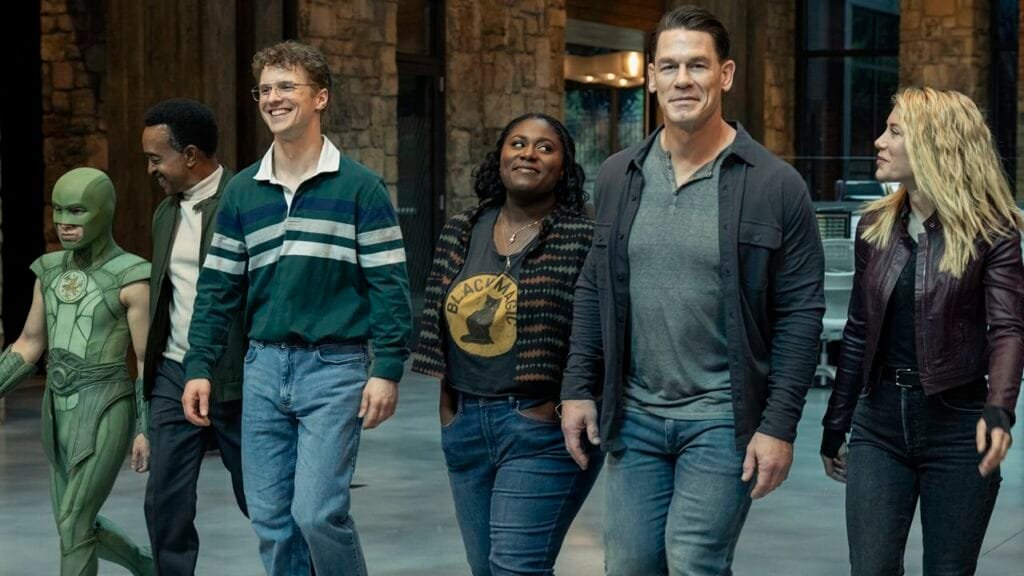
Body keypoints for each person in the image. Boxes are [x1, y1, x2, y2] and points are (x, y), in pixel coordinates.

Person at [559, 6, 825, 575]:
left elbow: (800, 315)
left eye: (697, 65)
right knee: (629, 565)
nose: (683, 80)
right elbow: (593, 288)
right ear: (652, 77)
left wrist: (778, 426)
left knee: (693, 560)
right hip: (634, 414)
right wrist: (578, 388)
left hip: (723, 416)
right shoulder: (619, 175)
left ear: (725, 75)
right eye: (669, 66)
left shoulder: (776, 185)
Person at [181, 41, 412, 576]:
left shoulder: (360, 188)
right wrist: (199, 365)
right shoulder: (243, 191)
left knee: (317, 513)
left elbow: (389, 285)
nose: (273, 98)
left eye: (287, 86)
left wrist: (387, 368)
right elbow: (217, 290)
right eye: (265, 89)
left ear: (320, 97)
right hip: (262, 367)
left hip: (335, 369)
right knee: (271, 520)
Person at [820, 87, 1024, 575]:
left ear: (935, 145)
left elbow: (1008, 329)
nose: (878, 141)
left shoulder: (993, 232)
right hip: (879, 424)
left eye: (895, 131)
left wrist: (999, 410)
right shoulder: (875, 225)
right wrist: (835, 423)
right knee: (871, 569)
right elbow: (858, 330)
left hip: (958, 424)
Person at [413, 113, 599, 575]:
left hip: (540, 428)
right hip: (465, 424)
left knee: (515, 568)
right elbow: (440, 323)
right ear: (499, 157)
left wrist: (556, 405)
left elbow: (596, 333)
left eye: (545, 147)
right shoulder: (462, 229)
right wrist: (449, 411)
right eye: (517, 143)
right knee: (486, 569)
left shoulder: (583, 237)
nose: (528, 154)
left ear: (563, 167)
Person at [0, 167, 154, 576]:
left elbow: (145, 359)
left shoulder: (132, 276)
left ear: (104, 211)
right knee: (73, 525)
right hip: (56, 410)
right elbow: (29, 343)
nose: (64, 223)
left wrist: (145, 427)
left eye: (77, 211)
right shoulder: (48, 271)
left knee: (73, 523)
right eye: (59, 211)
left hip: (106, 406)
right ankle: (147, 565)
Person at [140, 98, 248, 575]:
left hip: (235, 376)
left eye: (155, 158)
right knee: (165, 501)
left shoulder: (245, 202)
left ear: (188, 155)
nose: (150, 170)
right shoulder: (165, 214)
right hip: (174, 371)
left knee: (260, 497)